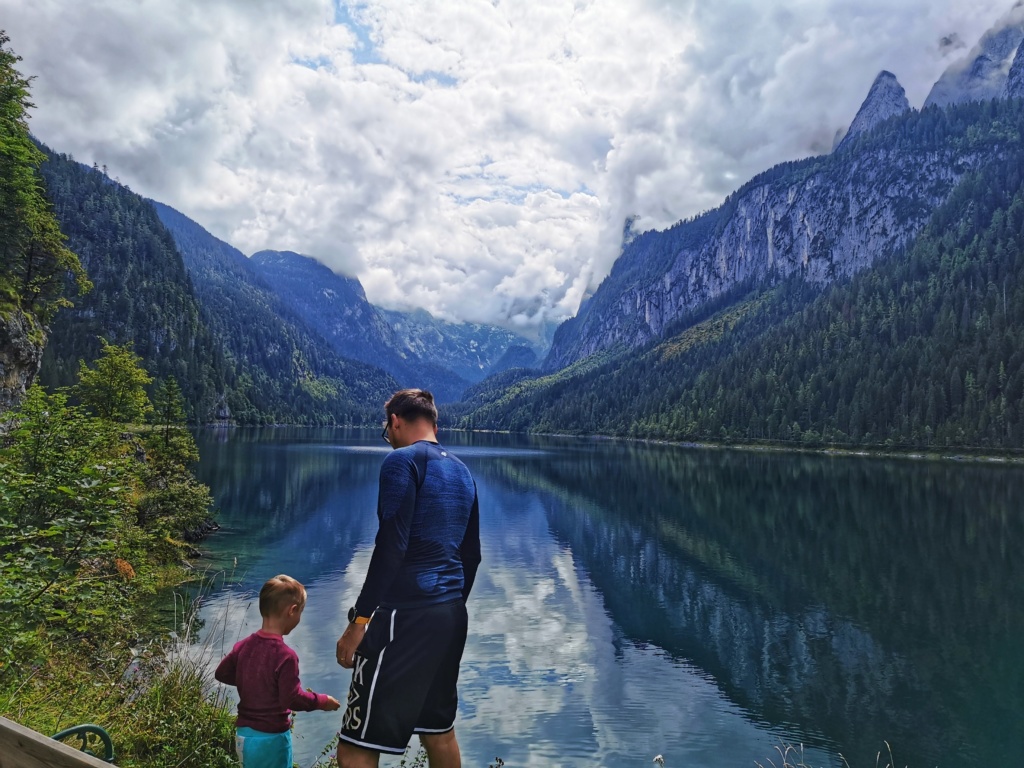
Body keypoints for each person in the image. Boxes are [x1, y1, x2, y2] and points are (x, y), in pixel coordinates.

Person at [335, 389, 482, 768]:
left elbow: (391, 547)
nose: (390, 438)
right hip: (450, 616)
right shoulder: (463, 472)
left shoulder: (401, 462)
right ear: (433, 422)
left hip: (403, 616)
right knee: (438, 732)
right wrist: (446, 606)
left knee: (356, 742)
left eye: (388, 430)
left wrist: (359, 621)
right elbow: (472, 556)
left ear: (396, 421)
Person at [216, 574, 341, 768]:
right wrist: (323, 702)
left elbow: (221, 673)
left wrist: (254, 681)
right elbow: (292, 699)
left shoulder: (243, 646)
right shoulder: (285, 656)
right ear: (292, 611)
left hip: (244, 736)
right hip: (272, 739)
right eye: (301, 612)